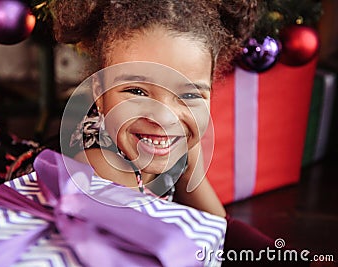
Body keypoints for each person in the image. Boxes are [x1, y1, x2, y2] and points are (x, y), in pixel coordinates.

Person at [51, 1, 327, 266]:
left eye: (188, 94)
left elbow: (218, 228)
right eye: (137, 91)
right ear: (99, 93)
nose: (163, 117)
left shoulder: (177, 141)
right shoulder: (102, 168)